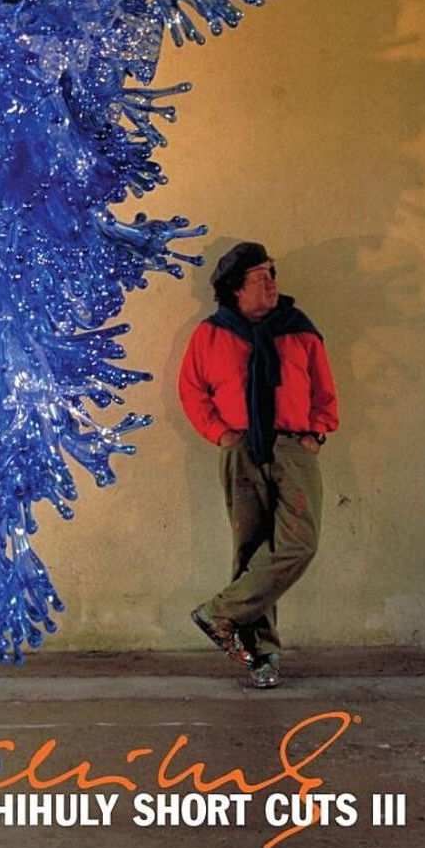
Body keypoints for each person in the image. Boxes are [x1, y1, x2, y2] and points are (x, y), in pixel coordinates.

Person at [178, 242, 338, 689]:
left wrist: (315, 434)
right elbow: (192, 390)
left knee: (299, 542)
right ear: (236, 289)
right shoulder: (211, 335)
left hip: (293, 445)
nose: (271, 283)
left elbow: (324, 389)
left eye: (272, 273)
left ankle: (219, 613)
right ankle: (262, 656)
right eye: (260, 276)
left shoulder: (300, 329)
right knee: (250, 549)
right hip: (241, 447)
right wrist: (221, 435)